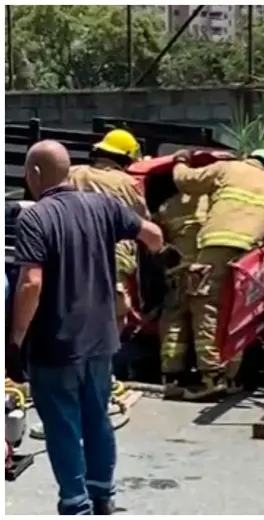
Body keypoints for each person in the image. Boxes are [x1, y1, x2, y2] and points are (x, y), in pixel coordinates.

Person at [8, 140, 163, 515]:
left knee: (61, 423)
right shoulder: (103, 206)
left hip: (55, 343)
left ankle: (76, 505)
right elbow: (153, 235)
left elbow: (31, 282)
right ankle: (102, 494)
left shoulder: (35, 217)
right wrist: (157, 266)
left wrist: (15, 338)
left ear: (36, 174)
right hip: (100, 339)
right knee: (96, 417)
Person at [171, 149, 264, 400]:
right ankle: (232, 376)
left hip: (216, 248)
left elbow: (186, 182)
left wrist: (180, 161)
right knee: (238, 314)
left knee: (206, 306)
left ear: (249, 157)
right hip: (251, 258)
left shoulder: (228, 168)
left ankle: (211, 377)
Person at [67, 129, 150, 332]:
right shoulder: (127, 183)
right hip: (113, 257)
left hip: (71, 252)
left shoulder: (72, 173)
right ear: (127, 159)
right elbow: (144, 222)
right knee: (114, 315)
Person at [155, 192, 210, 397]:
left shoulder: (167, 205)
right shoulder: (214, 200)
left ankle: (172, 373)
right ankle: (211, 374)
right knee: (205, 319)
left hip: (179, 271)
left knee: (174, 319)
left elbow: (157, 235)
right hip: (206, 269)